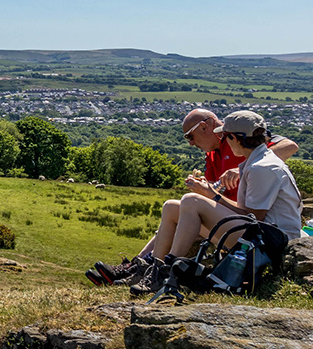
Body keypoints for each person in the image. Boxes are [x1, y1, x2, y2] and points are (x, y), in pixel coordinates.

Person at [86, 108, 297, 285]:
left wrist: (212, 195)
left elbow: (255, 218)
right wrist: (211, 191)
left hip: (267, 240)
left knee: (191, 202)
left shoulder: (260, 165)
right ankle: (148, 270)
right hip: (254, 230)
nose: (190, 143)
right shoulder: (248, 160)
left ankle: (166, 272)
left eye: (190, 136)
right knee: (172, 206)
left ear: (233, 137)